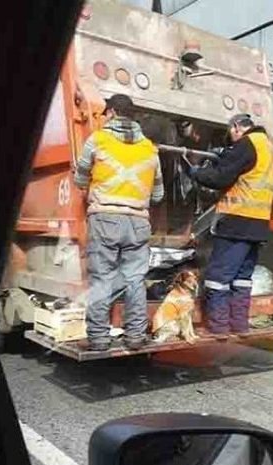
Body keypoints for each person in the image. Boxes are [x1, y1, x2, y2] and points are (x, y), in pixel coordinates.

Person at [74, 94, 164, 350]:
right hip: (138, 222)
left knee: (102, 278)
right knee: (135, 280)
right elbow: (158, 195)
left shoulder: (98, 139)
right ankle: (135, 336)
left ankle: (100, 339)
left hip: (105, 219)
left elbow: (80, 178)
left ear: (112, 112)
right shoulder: (150, 148)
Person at [189, 113, 273, 336]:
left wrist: (197, 173)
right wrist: (225, 156)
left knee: (218, 277)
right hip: (258, 223)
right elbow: (245, 169)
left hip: (236, 221)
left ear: (237, 127)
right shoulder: (268, 146)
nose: (231, 137)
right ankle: (239, 325)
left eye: (230, 132)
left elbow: (220, 178)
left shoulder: (247, 143)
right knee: (242, 279)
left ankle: (218, 327)